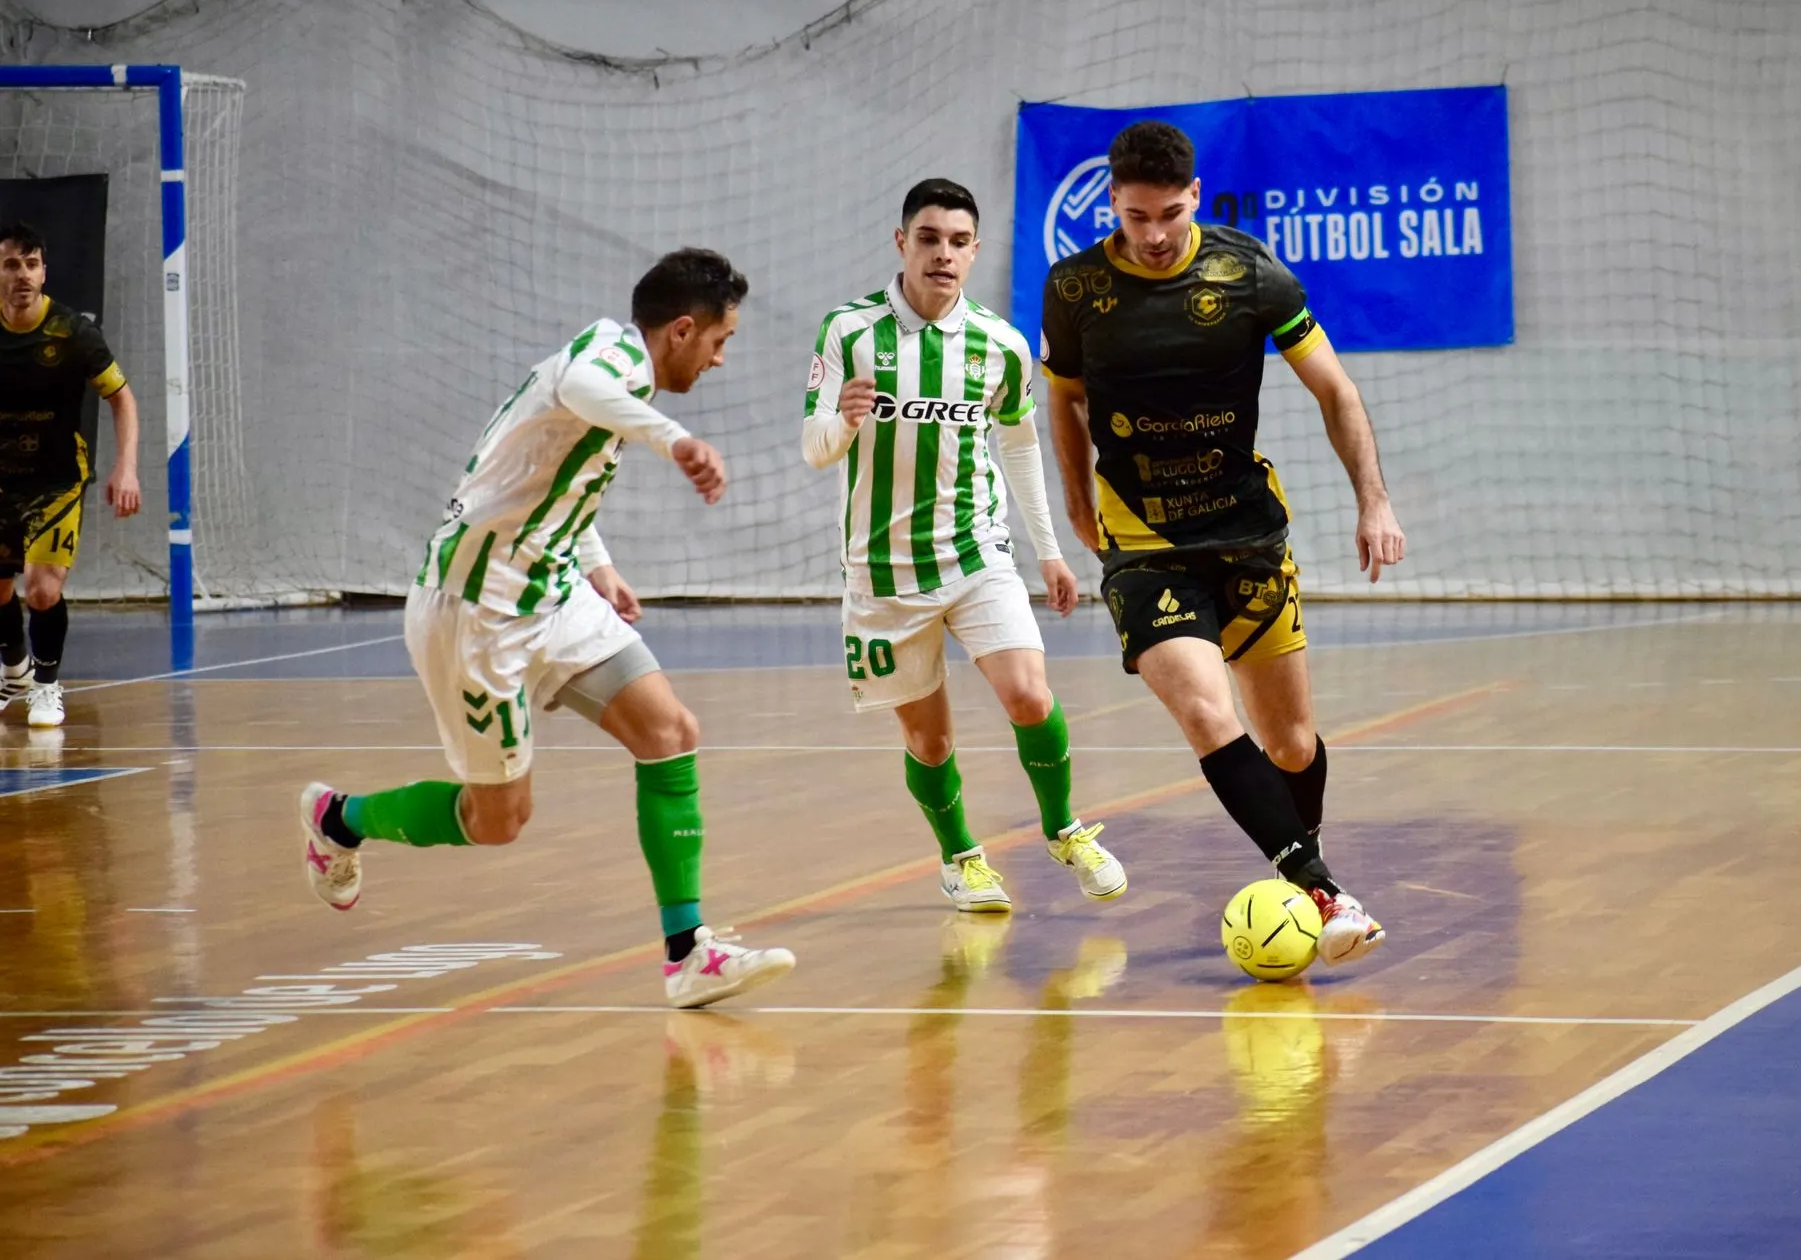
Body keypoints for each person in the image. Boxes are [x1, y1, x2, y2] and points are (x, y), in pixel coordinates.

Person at [297, 248, 793, 1008]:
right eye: (721, 341)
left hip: (553, 590)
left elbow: (546, 467)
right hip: (477, 610)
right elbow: (576, 388)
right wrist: (677, 440)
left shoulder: (615, 366)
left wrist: (597, 561)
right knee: (497, 820)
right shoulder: (607, 363)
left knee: (670, 731)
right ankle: (339, 818)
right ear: (684, 330)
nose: (722, 358)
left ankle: (688, 952)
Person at [1040, 122, 1407, 965]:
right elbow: (1060, 400)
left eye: (1170, 213)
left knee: (1291, 744)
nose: (1157, 234)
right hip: (1143, 545)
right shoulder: (1075, 286)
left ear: (1195, 197)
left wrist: (1373, 500)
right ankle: (1324, 889)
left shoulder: (1248, 270)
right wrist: (1075, 502)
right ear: (1114, 207)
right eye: (1138, 218)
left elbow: (1336, 390)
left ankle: (1296, 865)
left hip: (1247, 535)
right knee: (1206, 713)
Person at [802, 178, 1126, 913]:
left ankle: (1065, 828)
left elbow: (1017, 447)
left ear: (975, 252)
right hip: (882, 571)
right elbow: (814, 447)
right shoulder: (848, 332)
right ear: (901, 243)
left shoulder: (1000, 345)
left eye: (957, 242)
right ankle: (961, 858)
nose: (943, 254)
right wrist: (844, 426)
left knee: (1029, 694)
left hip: (979, 556)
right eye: (928, 238)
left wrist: (1047, 549)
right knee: (931, 744)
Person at [0, 222, 142, 728]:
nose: (23, 274)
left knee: (41, 590)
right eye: (12, 264)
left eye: (32, 263)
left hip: (56, 477)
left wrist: (126, 467)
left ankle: (45, 684)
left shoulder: (71, 332)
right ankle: (13, 670)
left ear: (44, 270)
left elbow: (122, 399)